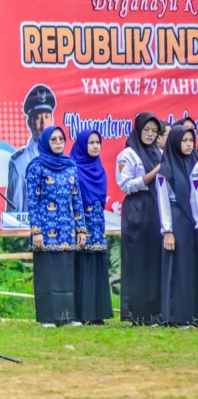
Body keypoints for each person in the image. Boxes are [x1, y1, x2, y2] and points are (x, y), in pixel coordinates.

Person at [27, 126, 87, 328]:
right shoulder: (36, 166)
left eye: (61, 138)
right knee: (47, 272)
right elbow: (32, 202)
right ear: (45, 142)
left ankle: (66, 316)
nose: (59, 142)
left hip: (67, 228)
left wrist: (81, 228)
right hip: (45, 229)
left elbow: (77, 198)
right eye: (53, 139)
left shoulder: (70, 165)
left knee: (65, 272)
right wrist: (36, 230)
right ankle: (47, 318)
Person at [116, 112, 163, 326]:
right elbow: (125, 184)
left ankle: (154, 312)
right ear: (138, 129)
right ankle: (136, 313)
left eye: (154, 131)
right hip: (136, 208)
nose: (150, 135)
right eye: (147, 130)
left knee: (154, 259)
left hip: (155, 208)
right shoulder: (128, 154)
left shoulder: (158, 152)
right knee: (136, 260)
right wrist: (152, 174)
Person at [70, 131, 113, 325]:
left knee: (96, 263)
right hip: (81, 224)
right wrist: (80, 226)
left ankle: (97, 314)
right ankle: (82, 313)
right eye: (91, 143)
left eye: (98, 142)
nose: (96, 146)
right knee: (83, 264)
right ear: (82, 145)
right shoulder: (74, 168)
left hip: (97, 224)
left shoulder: (99, 168)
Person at [157, 126, 198, 328]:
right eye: (184, 140)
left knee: (192, 268)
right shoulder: (166, 170)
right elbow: (163, 202)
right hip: (177, 221)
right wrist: (168, 231)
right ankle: (178, 316)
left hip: (193, 222)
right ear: (174, 142)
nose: (189, 144)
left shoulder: (195, 165)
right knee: (180, 268)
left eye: (191, 140)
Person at [6, 84, 56, 212]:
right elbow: (14, 214)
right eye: (38, 118)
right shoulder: (19, 162)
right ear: (30, 122)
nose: (43, 124)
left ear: (52, 120)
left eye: (46, 117)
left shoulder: (63, 160)